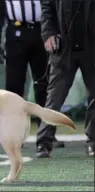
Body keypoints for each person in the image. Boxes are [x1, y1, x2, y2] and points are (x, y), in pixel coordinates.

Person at [0, 0, 64, 147]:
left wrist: (56, 32)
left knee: (44, 85)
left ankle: (46, 135)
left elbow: (53, 7)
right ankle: (14, 135)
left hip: (42, 32)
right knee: (14, 87)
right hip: (16, 33)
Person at [37, 0, 95, 158]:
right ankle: (44, 142)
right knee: (54, 98)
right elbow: (47, 8)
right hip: (63, 47)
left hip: (91, 46)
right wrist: (48, 33)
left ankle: (93, 142)